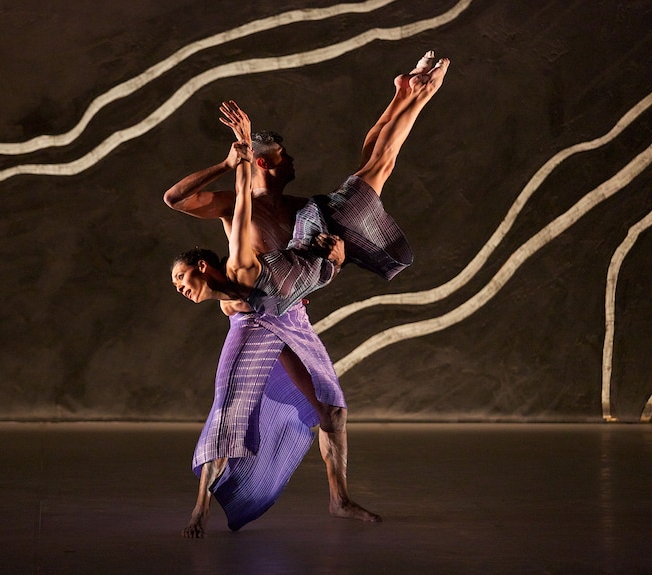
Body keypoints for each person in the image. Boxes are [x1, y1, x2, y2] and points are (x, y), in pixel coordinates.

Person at [166, 51, 450, 537]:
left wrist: (332, 259)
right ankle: (201, 508)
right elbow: (176, 198)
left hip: (291, 313)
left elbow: (317, 253)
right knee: (230, 410)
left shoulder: (303, 209)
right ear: (260, 164)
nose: (290, 163)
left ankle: (340, 499)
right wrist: (227, 160)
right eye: (279, 160)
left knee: (333, 410)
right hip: (253, 320)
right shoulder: (235, 206)